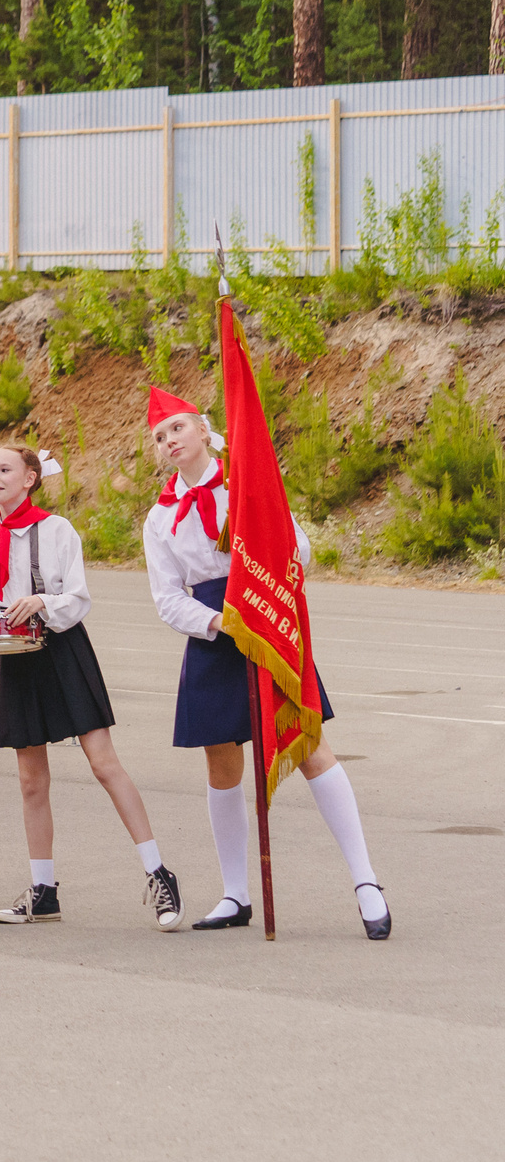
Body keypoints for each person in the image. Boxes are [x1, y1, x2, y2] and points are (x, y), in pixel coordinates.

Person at [141, 387, 390, 939]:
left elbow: (298, 548)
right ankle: (235, 893)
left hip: (267, 617)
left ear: (205, 431)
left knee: (306, 744)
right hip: (215, 632)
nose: (170, 441)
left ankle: (366, 881)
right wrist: (220, 623)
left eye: (178, 428)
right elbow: (167, 596)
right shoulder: (160, 518)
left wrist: (262, 566)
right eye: (161, 437)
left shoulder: (247, 482)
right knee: (221, 761)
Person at [0, 444, 182, 928]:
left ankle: (160, 873)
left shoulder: (56, 530)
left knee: (104, 764)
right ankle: (44, 890)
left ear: (30, 478)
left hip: (62, 651)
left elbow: (77, 597)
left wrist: (41, 601)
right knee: (31, 780)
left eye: (4, 469)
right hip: (16, 662)